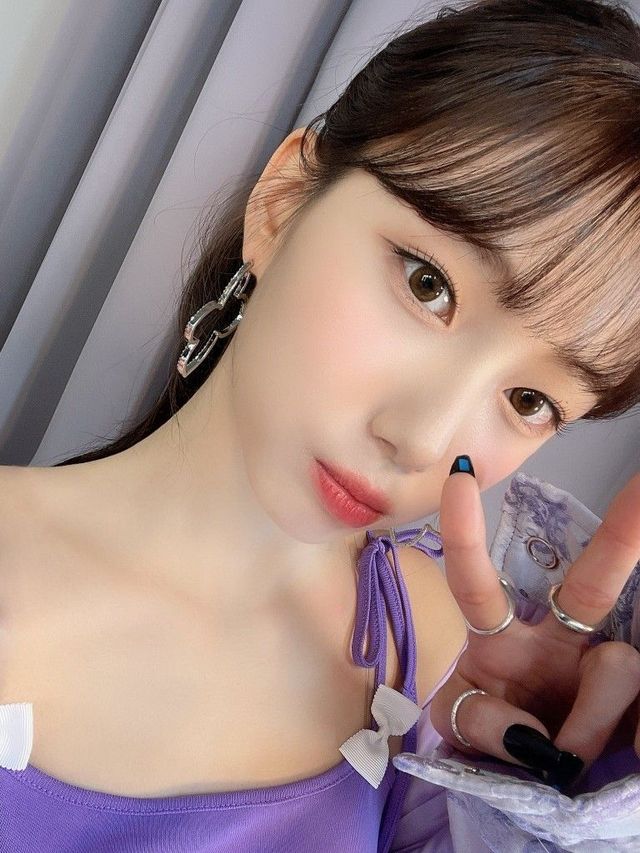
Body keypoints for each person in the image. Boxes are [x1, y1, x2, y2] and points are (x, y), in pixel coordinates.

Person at [1, 0, 640, 849]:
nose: (420, 439)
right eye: (427, 285)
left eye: (530, 401)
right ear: (282, 202)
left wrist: (556, 815)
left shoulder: (446, 669)